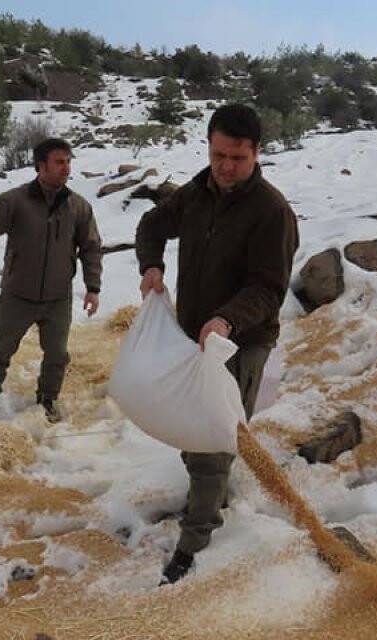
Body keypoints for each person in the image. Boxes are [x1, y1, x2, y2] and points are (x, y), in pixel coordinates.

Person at [135, 104, 299, 584]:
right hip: (193, 336)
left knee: (212, 440)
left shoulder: (272, 212)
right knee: (193, 430)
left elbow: (268, 289)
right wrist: (151, 265)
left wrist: (227, 319)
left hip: (240, 341)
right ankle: (209, 496)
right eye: (218, 155)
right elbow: (151, 225)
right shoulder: (198, 192)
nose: (226, 167)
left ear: (257, 153)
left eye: (238, 158)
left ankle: (195, 540)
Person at [0, 138, 102, 425]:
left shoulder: (78, 206)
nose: (66, 167)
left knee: (57, 355)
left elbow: (91, 248)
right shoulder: (15, 201)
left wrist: (93, 288)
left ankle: (48, 400)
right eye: (59, 162)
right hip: (18, 294)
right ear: (40, 166)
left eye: (68, 161)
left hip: (58, 297)